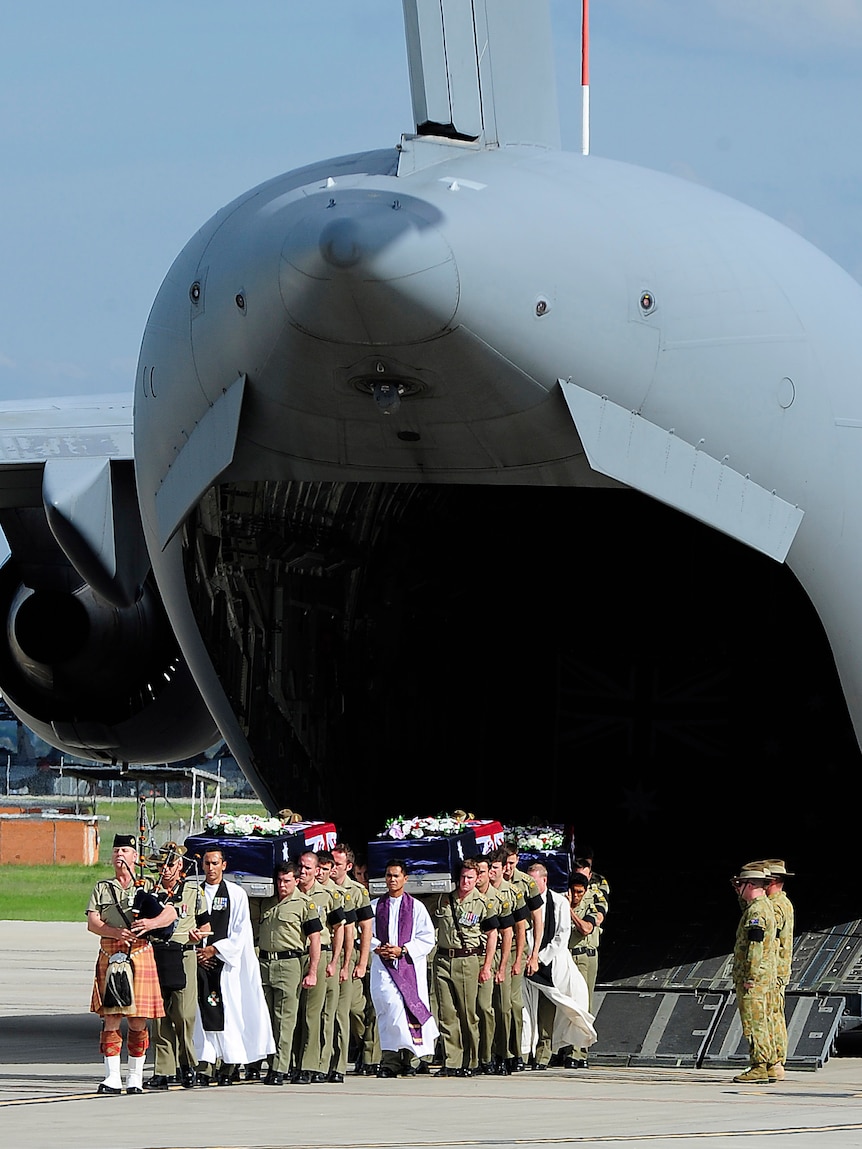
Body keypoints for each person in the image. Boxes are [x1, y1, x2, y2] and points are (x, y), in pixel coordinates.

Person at [87, 833, 177, 1095]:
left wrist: (150, 924)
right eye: (116, 851)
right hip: (111, 954)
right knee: (111, 1017)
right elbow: (93, 922)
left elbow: (170, 912)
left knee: (138, 1020)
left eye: (125, 851)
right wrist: (116, 933)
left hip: (140, 954)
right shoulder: (103, 887)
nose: (120, 855)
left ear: (135, 857)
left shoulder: (148, 885)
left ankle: (135, 1077)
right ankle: (112, 1077)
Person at [193, 847, 275, 1085]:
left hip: (226, 965)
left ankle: (230, 1063)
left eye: (215, 863)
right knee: (203, 1013)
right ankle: (206, 1063)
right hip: (199, 963)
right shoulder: (194, 892)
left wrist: (214, 950)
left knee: (229, 1012)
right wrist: (199, 951)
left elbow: (241, 932)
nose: (211, 868)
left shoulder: (236, 894)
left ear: (224, 865)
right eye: (207, 863)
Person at [521, 863, 595, 1069]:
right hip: (527, 963)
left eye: (534, 882)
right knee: (526, 1012)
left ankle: (543, 1056)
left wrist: (539, 959)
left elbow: (561, 936)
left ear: (544, 880)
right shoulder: (523, 900)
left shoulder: (559, 902)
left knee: (547, 1011)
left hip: (549, 963)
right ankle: (523, 1053)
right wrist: (528, 957)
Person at [429, 858, 499, 1076]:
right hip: (443, 960)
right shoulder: (444, 899)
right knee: (447, 1013)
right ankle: (452, 1061)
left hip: (467, 960)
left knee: (469, 1014)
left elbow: (492, 935)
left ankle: (472, 1060)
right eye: (462, 877)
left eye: (470, 878)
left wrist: (487, 965)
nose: (465, 882)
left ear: (478, 878)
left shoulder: (483, 903)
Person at [144, 841, 205, 1091]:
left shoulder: (193, 891)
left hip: (183, 954)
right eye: (161, 865)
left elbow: (205, 923)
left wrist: (200, 935)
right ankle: (163, 1070)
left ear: (180, 865)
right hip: (157, 952)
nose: (165, 870)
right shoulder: (150, 889)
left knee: (183, 1013)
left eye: (170, 864)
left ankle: (187, 1065)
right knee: (159, 1016)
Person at [370, 859, 439, 1077]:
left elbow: (427, 938)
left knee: (409, 1011)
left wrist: (404, 950)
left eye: (396, 876)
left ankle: (410, 1060)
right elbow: (364, 935)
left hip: (408, 968)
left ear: (405, 879)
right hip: (384, 969)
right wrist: (378, 947)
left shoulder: (416, 908)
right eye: (388, 876)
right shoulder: (375, 906)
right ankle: (390, 1062)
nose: (392, 880)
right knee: (389, 1011)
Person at [258, 860, 322, 1085]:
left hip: (289, 964)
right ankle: (267, 1063)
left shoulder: (304, 904)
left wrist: (312, 971)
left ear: (297, 880)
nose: (282, 885)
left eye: (287, 881)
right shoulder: (267, 902)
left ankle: (279, 1068)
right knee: (265, 1018)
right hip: (265, 963)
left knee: (284, 1019)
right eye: (279, 880)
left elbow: (315, 940)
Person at [730, 862, 777, 1084]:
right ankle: (767, 1062)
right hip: (764, 975)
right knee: (763, 1018)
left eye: (741, 884)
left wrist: (749, 976)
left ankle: (758, 1065)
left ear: (750, 884)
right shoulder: (764, 906)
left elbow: (754, 946)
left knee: (753, 1021)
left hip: (753, 977)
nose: (738, 888)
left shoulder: (756, 912)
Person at [330, 842, 374, 1081]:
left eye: (338, 864)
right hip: (331, 956)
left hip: (353, 954)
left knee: (356, 1010)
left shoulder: (357, 891)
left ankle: (363, 1047)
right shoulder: (322, 889)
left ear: (348, 866)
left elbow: (366, 927)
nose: (333, 869)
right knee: (336, 1011)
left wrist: (362, 961)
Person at [556, 870, 604, 1069]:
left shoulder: (593, 903)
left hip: (584, 956)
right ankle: (563, 1048)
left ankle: (579, 1052)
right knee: (564, 1003)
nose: (576, 896)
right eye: (573, 892)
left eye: (579, 892)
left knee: (582, 1003)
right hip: (564, 955)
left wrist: (570, 912)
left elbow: (585, 928)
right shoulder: (559, 902)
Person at [761, 859, 795, 1082]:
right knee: (775, 1014)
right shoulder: (783, 902)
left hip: (773, 969)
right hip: (778, 968)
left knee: (770, 1016)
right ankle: (777, 1060)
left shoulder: (775, 906)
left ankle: (774, 1061)